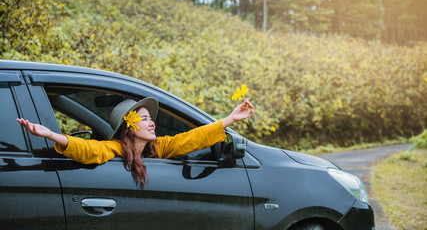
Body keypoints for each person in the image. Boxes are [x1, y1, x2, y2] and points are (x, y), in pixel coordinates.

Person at [17, 97, 255, 189]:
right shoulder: (116, 148)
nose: (152, 123)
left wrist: (229, 119)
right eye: (144, 119)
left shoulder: (158, 147)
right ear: (129, 127)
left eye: (151, 118)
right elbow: (89, 149)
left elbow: (190, 139)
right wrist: (51, 135)